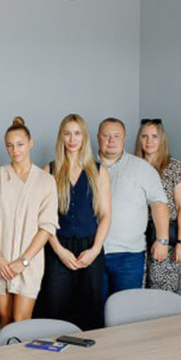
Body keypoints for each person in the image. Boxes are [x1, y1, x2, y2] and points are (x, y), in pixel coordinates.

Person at [0, 117, 58, 329]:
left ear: (30, 143)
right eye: (10, 145)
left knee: (21, 321)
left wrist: (24, 261)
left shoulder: (46, 181)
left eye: (20, 144)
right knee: (4, 320)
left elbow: (47, 226)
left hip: (29, 262)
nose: (15, 150)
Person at [38, 114, 111, 330]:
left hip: (90, 248)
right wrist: (59, 251)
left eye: (77, 133)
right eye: (67, 134)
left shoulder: (99, 171)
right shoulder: (49, 170)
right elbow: (43, 218)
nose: (72, 139)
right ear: (61, 136)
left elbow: (106, 215)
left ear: (84, 137)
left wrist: (95, 250)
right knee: (54, 309)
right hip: (57, 247)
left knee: (90, 311)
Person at [97, 118, 169, 296]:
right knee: (95, 307)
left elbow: (159, 204)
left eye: (116, 136)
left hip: (129, 255)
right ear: (98, 137)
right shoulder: (86, 167)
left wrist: (162, 240)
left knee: (126, 306)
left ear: (124, 139)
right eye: (106, 135)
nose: (111, 140)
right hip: (93, 252)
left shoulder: (142, 168)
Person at [135, 118, 181, 296]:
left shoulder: (175, 167)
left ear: (162, 139)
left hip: (167, 239)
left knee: (163, 292)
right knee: (138, 291)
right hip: (137, 239)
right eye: (144, 136)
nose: (149, 141)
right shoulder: (134, 166)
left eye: (154, 136)